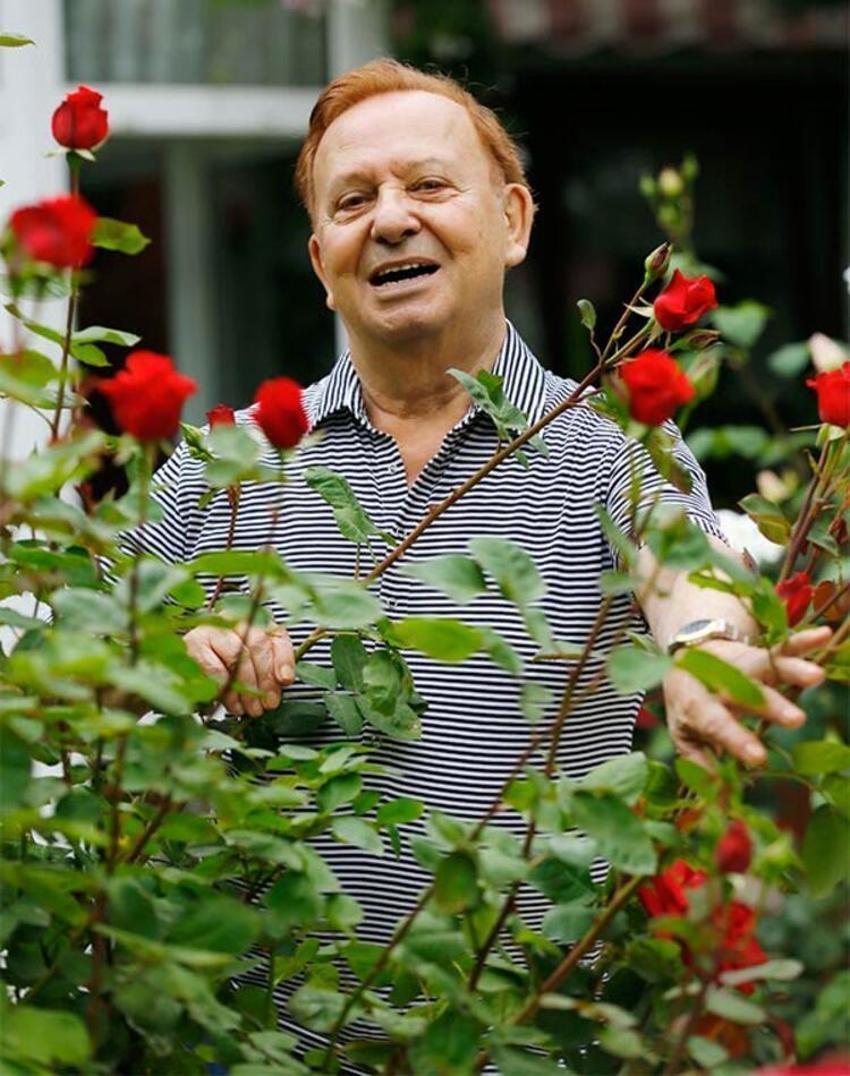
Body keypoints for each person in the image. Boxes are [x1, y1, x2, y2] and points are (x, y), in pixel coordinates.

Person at [134, 59, 828, 1071]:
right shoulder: (219, 467)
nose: (391, 219)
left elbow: (683, 575)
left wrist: (707, 655)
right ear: (321, 254)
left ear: (511, 220)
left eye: (427, 185)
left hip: (530, 1040)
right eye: (354, 200)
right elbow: (86, 657)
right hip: (260, 1044)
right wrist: (173, 653)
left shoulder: (612, 450)